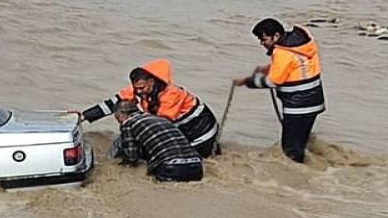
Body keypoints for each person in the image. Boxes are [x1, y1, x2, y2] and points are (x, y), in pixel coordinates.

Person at [78, 59, 219, 157]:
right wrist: (83, 116)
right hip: (179, 128)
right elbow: (111, 103)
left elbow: (160, 124)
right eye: (136, 88)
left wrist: (131, 125)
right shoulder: (138, 88)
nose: (138, 92)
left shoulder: (172, 94)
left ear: (152, 81)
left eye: (142, 88)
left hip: (200, 133)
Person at [232, 18, 325, 163]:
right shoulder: (299, 45)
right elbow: (295, 66)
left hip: (298, 106)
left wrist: (246, 81)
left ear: (276, 36)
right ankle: (309, 167)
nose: (262, 43)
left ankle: (296, 177)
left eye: (264, 39)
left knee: (290, 150)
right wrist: (268, 68)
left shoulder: (281, 53)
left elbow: (272, 81)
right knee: (301, 141)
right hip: (314, 101)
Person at [110, 100, 203, 182]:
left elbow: (131, 157)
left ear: (121, 115)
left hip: (171, 169)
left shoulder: (128, 123)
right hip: (197, 167)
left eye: (116, 117)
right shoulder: (159, 118)